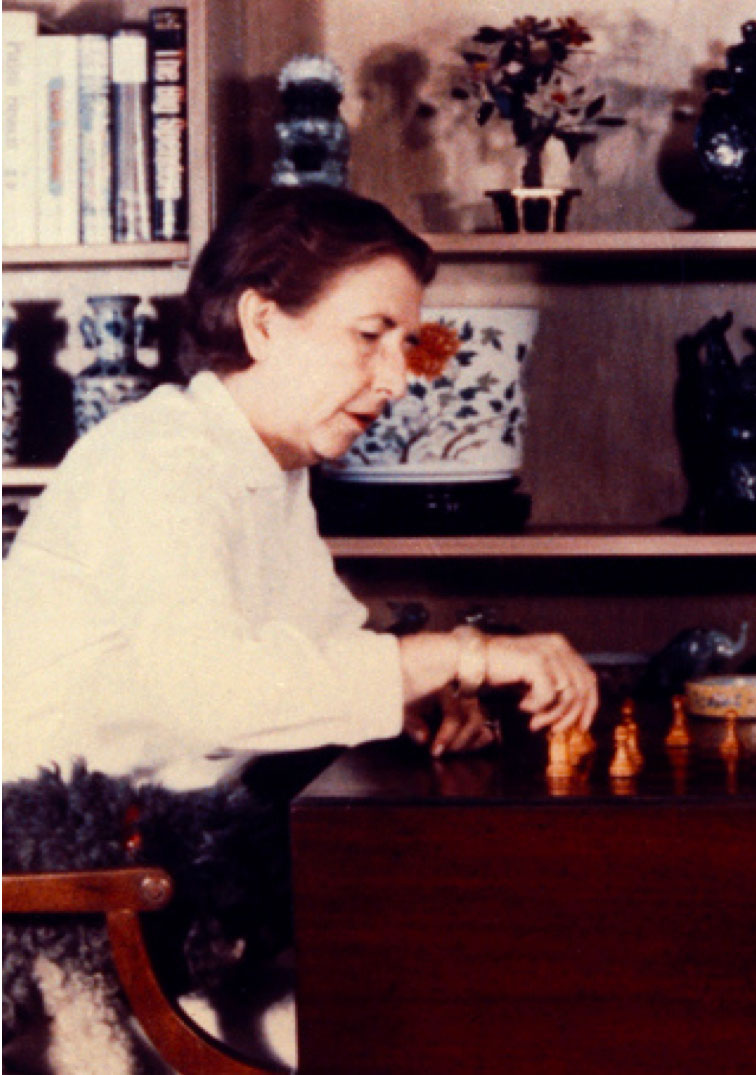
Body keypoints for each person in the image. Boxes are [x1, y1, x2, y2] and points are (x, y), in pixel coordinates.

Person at [2, 185, 599, 1072]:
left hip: (154, 885)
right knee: (422, 1021)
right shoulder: (159, 463)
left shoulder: (260, 468)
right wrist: (463, 653)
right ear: (263, 321)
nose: (400, 379)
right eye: (371, 336)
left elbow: (331, 649)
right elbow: (220, 694)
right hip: (66, 913)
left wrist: (420, 699)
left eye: (408, 345)